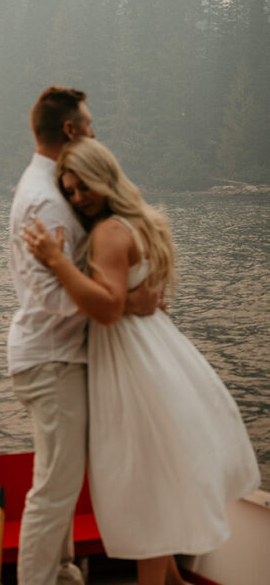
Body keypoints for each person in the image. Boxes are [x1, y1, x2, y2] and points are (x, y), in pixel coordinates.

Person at [23, 137, 260, 585]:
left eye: (82, 187)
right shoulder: (142, 220)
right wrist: (134, 298)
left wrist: (56, 261)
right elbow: (129, 296)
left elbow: (109, 306)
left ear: (103, 176)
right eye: (69, 191)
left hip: (130, 363)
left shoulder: (109, 232)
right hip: (155, 353)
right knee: (157, 473)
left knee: (146, 492)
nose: (77, 198)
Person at [7, 87, 159, 585]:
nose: (95, 131)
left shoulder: (50, 188)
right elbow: (46, 295)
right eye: (89, 123)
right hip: (50, 356)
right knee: (56, 484)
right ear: (70, 130)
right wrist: (120, 303)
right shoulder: (46, 201)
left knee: (64, 479)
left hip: (60, 353)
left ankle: (65, 572)